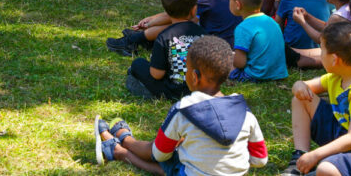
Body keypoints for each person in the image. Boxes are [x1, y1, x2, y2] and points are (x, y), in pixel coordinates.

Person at [95, 36, 268, 175]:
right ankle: (121, 144)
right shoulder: (245, 112)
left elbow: (159, 154)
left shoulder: (184, 110)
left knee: (170, 161)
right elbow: (260, 160)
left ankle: (122, 147)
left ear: (194, 76)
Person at [283, 22, 351, 176]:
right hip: (343, 132)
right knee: (301, 98)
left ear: (334, 59)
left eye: (322, 50)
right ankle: (299, 157)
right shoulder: (337, 77)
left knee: (325, 169)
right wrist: (298, 85)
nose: (320, 54)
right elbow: (304, 86)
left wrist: (316, 154)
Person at [123, 0, 205, 100]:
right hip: (202, 87)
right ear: (194, 10)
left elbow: (157, 74)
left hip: (175, 91)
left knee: (138, 63)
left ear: (166, 12)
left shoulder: (164, 36)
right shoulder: (203, 33)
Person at [226, 0, 287, 82]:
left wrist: (231, 59)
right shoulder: (272, 22)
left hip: (256, 76)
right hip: (278, 74)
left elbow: (240, 63)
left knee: (224, 62)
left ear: (237, 5)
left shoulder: (243, 28)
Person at [275, 0, 331, 67]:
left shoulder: (287, 0)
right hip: (318, 50)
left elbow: (278, 26)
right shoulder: (323, 0)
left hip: (293, 50)